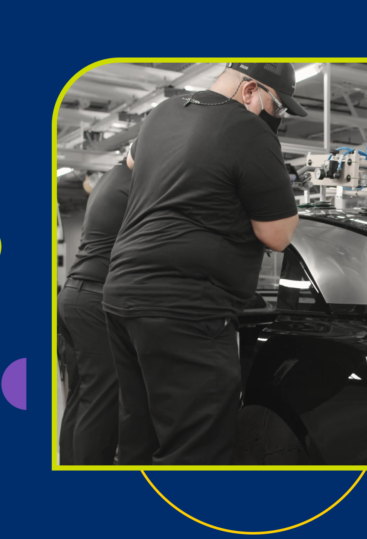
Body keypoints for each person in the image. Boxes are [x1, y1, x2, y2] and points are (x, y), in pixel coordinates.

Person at [102, 63, 305, 465]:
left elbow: (131, 165)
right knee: (195, 445)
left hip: (123, 292)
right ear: (250, 91)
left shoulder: (163, 112)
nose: (276, 118)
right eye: (278, 108)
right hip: (185, 305)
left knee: (139, 433)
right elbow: (278, 236)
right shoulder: (249, 130)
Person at [57, 158, 132, 464]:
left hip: (75, 294)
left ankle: (73, 466)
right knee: (101, 397)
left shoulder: (111, 179)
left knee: (82, 393)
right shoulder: (132, 185)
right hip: (92, 297)